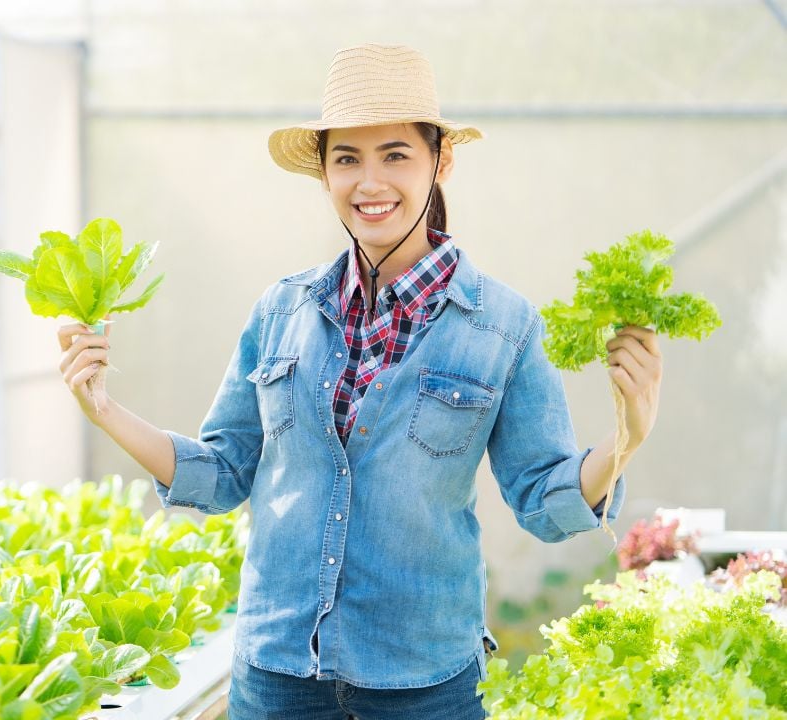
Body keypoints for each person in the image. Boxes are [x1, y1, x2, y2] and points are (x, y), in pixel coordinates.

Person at [55, 44, 662, 720]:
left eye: (395, 154)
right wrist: (104, 408)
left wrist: (626, 439)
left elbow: (543, 503)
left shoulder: (503, 327)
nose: (370, 183)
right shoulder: (281, 310)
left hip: (425, 683)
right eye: (347, 158)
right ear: (323, 173)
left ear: (442, 162)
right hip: (277, 673)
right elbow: (224, 472)